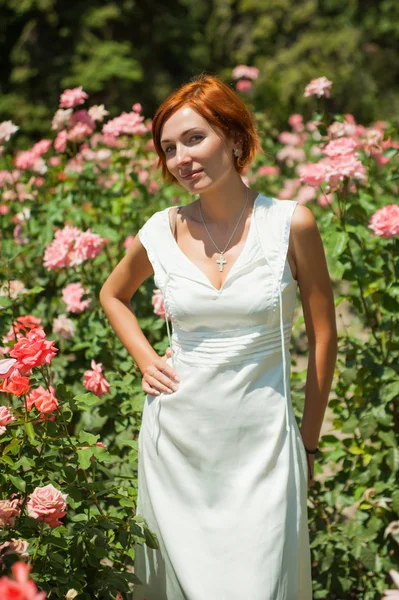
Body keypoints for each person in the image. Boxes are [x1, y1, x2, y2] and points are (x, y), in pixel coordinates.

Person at [99, 73, 337, 600]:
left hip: (264, 451)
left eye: (194, 138)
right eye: (168, 148)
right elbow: (112, 296)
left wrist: (309, 445)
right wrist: (144, 357)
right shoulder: (160, 230)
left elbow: (325, 337)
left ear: (233, 137)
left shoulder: (292, 225)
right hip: (176, 448)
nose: (182, 158)